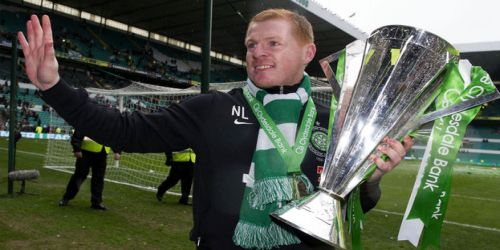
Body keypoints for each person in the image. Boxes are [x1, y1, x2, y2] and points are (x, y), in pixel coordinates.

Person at [18, 9, 413, 249]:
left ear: (307, 53)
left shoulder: (335, 120)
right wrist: (55, 87)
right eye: (251, 44)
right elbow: (125, 131)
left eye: (273, 43)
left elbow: (351, 207)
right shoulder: (212, 108)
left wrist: (371, 179)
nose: (257, 52)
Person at [58, 130, 121, 210]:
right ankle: (66, 198)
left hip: (102, 153)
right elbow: (78, 134)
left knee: (99, 178)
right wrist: (77, 149)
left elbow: (113, 137)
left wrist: (117, 151)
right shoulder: (90, 119)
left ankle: (96, 202)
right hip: (86, 152)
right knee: (79, 175)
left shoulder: (109, 123)